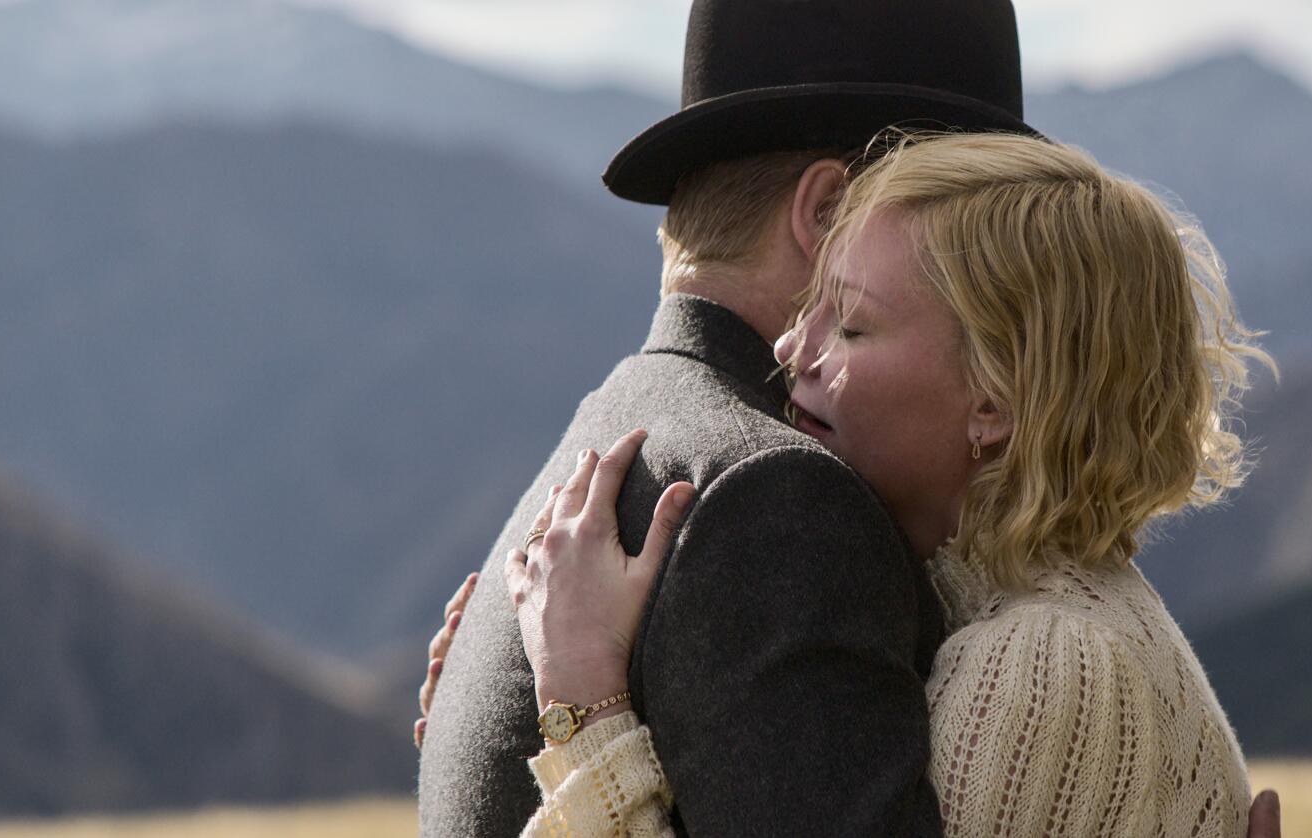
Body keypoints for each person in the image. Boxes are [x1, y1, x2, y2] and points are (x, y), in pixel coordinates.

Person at [423, 130, 1286, 836]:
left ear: (997, 401)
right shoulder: (1026, 618)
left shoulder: (1039, 663)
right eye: (811, 310)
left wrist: (582, 704)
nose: (793, 352)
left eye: (853, 326)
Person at [414, 1, 1043, 835]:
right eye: (964, 215)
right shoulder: (775, 504)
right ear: (828, 214)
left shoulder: (602, 447)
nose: (1008, 271)